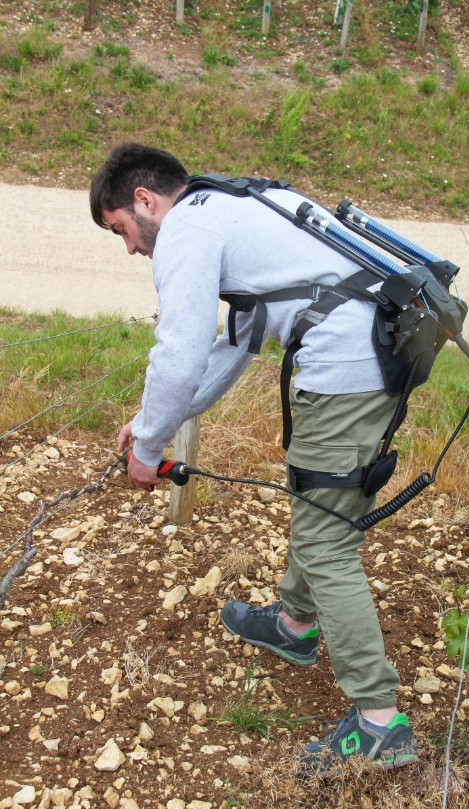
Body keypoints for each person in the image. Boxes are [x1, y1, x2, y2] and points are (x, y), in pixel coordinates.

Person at [90, 141, 418, 775]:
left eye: (122, 231)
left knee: (326, 541)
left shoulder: (188, 228)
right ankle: (295, 627)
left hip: (345, 367)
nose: (129, 248)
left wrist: (150, 449)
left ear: (144, 200)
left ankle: (380, 722)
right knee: (315, 501)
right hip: (368, 353)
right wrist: (152, 424)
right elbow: (229, 351)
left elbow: (179, 350)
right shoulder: (234, 208)